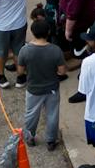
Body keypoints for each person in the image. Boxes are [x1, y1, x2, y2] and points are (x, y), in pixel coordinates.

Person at [17, 15, 65, 148]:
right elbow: (62, 71)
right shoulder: (55, 50)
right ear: (48, 32)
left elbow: (20, 71)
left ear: (32, 32)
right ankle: (51, 140)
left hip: (33, 88)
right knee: (52, 114)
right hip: (52, 88)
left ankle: (30, 137)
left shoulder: (25, 50)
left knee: (31, 113)